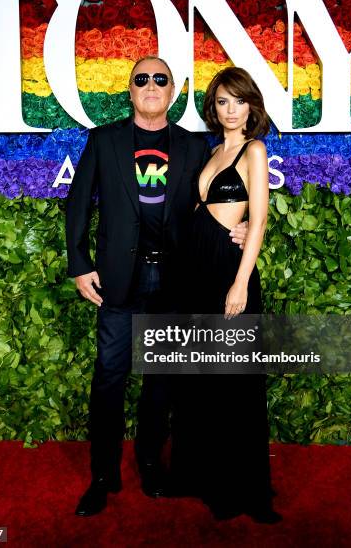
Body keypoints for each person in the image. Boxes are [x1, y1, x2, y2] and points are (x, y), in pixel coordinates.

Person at [65, 56, 249, 516]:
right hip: (116, 281)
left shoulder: (193, 146)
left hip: (175, 279)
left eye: (159, 79)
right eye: (141, 79)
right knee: (109, 376)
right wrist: (80, 263)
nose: (150, 85)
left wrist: (236, 228)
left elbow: (214, 201)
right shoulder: (104, 141)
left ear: (172, 91)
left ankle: (150, 464)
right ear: (129, 91)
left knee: (161, 380)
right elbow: (77, 206)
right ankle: (103, 475)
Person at [170, 67, 282, 523]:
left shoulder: (254, 150)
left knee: (236, 379)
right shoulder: (212, 151)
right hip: (195, 268)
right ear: (213, 109)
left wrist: (240, 280)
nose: (231, 109)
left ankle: (245, 490)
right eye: (222, 102)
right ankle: (205, 476)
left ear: (251, 106)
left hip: (227, 271)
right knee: (203, 377)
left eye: (238, 101)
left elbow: (256, 220)